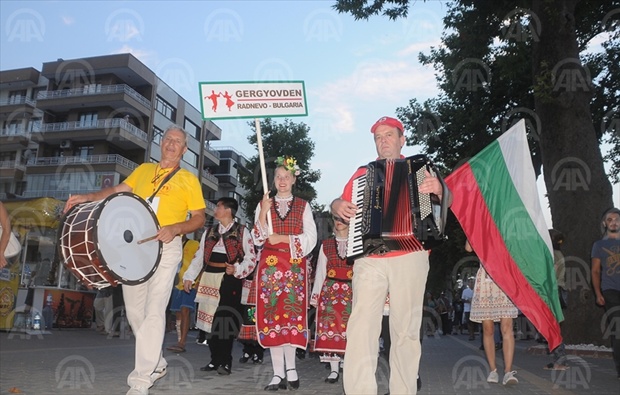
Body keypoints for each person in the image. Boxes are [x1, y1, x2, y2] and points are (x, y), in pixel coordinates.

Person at [64, 124, 206, 395]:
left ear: (184, 150)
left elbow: (199, 218)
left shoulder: (189, 180)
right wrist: (87, 197)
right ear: (161, 143)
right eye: (168, 139)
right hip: (135, 247)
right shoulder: (143, 171)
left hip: (167, 247)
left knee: (155, 308)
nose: (172, 144)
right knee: (134, 312)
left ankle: (140, 381)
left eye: (178, 141)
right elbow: (117, 191)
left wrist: (176, 228)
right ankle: (158, 361)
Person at [331, 116, 450, 395]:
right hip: (370, 257)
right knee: (361, 328)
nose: (383, 141)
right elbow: (340, 206)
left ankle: (404, 390)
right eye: (378, 137)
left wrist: (439, 190)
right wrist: (336, 205)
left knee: (406, 331)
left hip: (411, 253)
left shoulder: (422, 170)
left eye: (388, 135)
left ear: (402, 140)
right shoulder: (363, 174)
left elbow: (445, 203)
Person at [252, 155, 317, 391]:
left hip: (293, 266)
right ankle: (277, 372)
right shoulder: (264, 204)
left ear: (293, 180)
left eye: (286, 177)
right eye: (278, 176)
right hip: (269, 267)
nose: (282, 180)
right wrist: (262, 214)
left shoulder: (303, 205)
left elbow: (311, 238)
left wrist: (283, 238)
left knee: (290, 316)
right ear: (273, 179)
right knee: (272, 317)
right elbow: (257, 239)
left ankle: (291, 368)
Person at [183, 197, 256, 375]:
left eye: (219, 207)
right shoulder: (209, 232)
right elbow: (199, 256)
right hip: (209, 278)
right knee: (209, 322)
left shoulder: (242, 232)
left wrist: (237, 269)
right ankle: (215, 360)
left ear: (229, 211)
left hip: (229, 279)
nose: (216, 210)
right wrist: (189, 276)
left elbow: (251, 258)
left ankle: (225, 362)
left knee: (225, 321)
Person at [465, 240, 519, 386]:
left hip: (506, 276)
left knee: (506, 327)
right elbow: (469, 248)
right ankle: (493, 370)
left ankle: (508, 372)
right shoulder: (481, 222)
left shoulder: (507, 225)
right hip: (486, 279)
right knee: (488, 329)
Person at [309, 215, 352, 384]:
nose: (339, 222)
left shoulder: (358, 245)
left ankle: (349, 367)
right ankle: (334, 371)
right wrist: (316, 295)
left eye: (343, 219)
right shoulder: (326, 245)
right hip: (330, 292)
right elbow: (320, 270)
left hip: (351, 292)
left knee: (350, 330)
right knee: (331, 329)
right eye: (336, 219)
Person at [591, 207, 620, 379]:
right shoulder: (599, 245)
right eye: (610, 219)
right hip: (610, 291)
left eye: (617, 219)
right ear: (605, 223)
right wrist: (598, 293)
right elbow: (595, 271)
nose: (614, 222)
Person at [166, 236, 200, 353]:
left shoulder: (194, 244)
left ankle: (182, 342)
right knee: (178, 313)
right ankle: (179, 340)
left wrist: (198, 280)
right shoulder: (171, 246)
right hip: (176, 283)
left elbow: (200, 261)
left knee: (185, 310)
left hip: (190, 282)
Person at [545, 229, 569, 370]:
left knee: (553, 327)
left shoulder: (553, 255)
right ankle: (558, 359)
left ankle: (560, 360)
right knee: (553, 326)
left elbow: (551, 275)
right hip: (557, 291)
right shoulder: (557, 253)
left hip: (555, 292)